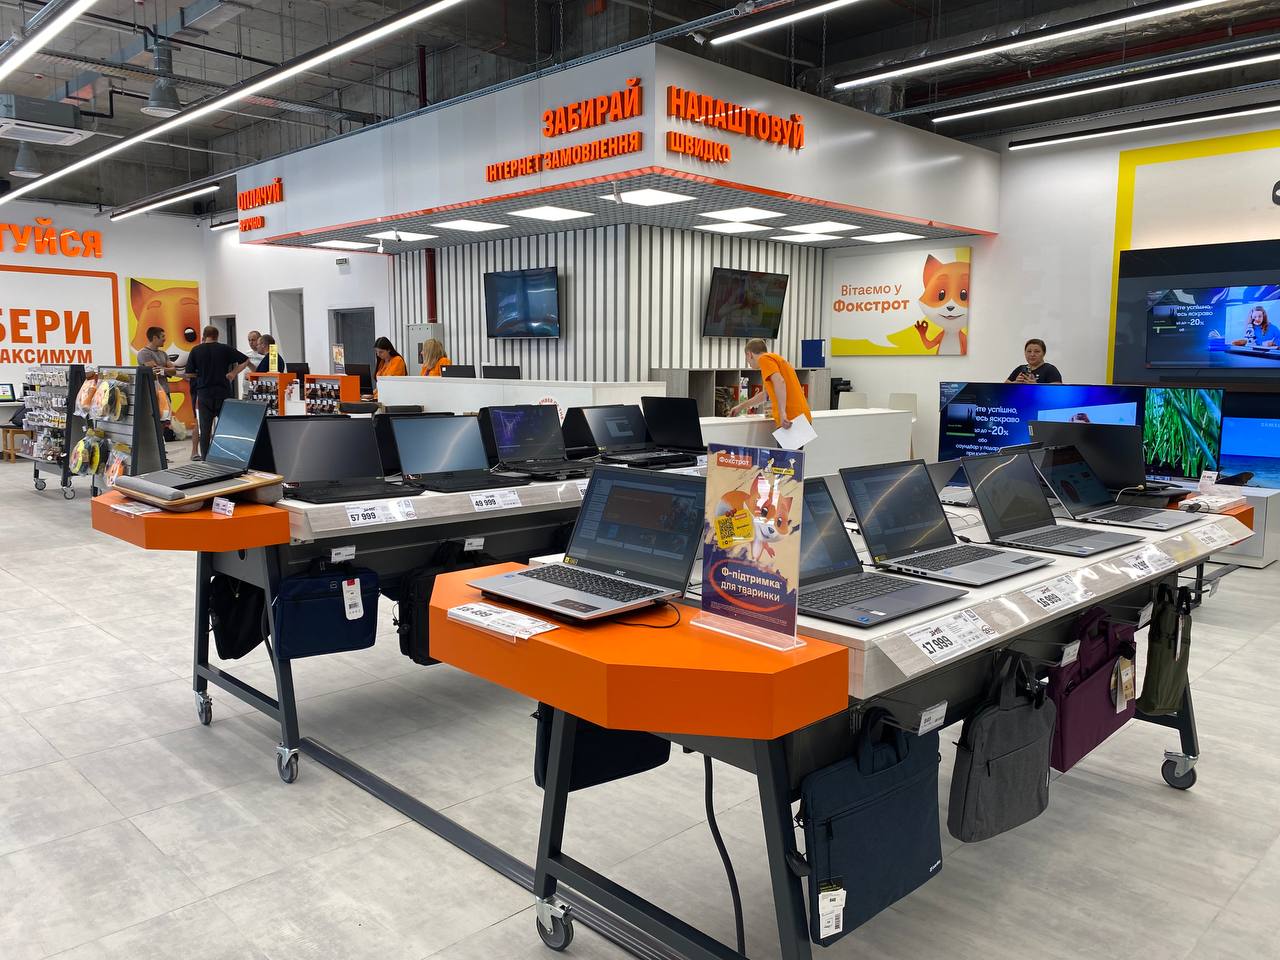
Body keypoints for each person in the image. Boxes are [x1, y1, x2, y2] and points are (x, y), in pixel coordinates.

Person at [185, 326, 250, 460]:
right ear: (217, 336)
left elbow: (189, 374)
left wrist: (201, 374)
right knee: (226, 427)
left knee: (205, 429)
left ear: (204, 336)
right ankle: (227, 456)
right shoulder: (225, 349)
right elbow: (245, 360)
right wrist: (233, 373)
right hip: (223, 392)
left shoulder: (196, 350)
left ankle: (205, 458)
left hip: (204, 394)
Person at [728, 339, 812, 429]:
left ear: (749, 354)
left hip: (790, 418)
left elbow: (780, 381)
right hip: (801, 417)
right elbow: (766, 394)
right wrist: (740, 407)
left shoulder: (764, 359)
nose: (748, 362)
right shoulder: (775, 359)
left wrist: (782, 412)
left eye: (746, 358)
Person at [136, 326, 177, 395]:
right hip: (153, 393)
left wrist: (162, 369)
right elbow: (156, 372)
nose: (165, 339)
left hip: (165, 391)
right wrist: (167, 370)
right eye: (162, 336)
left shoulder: (163, 353)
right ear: (155, 338)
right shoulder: (144, 353)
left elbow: (174, 371)